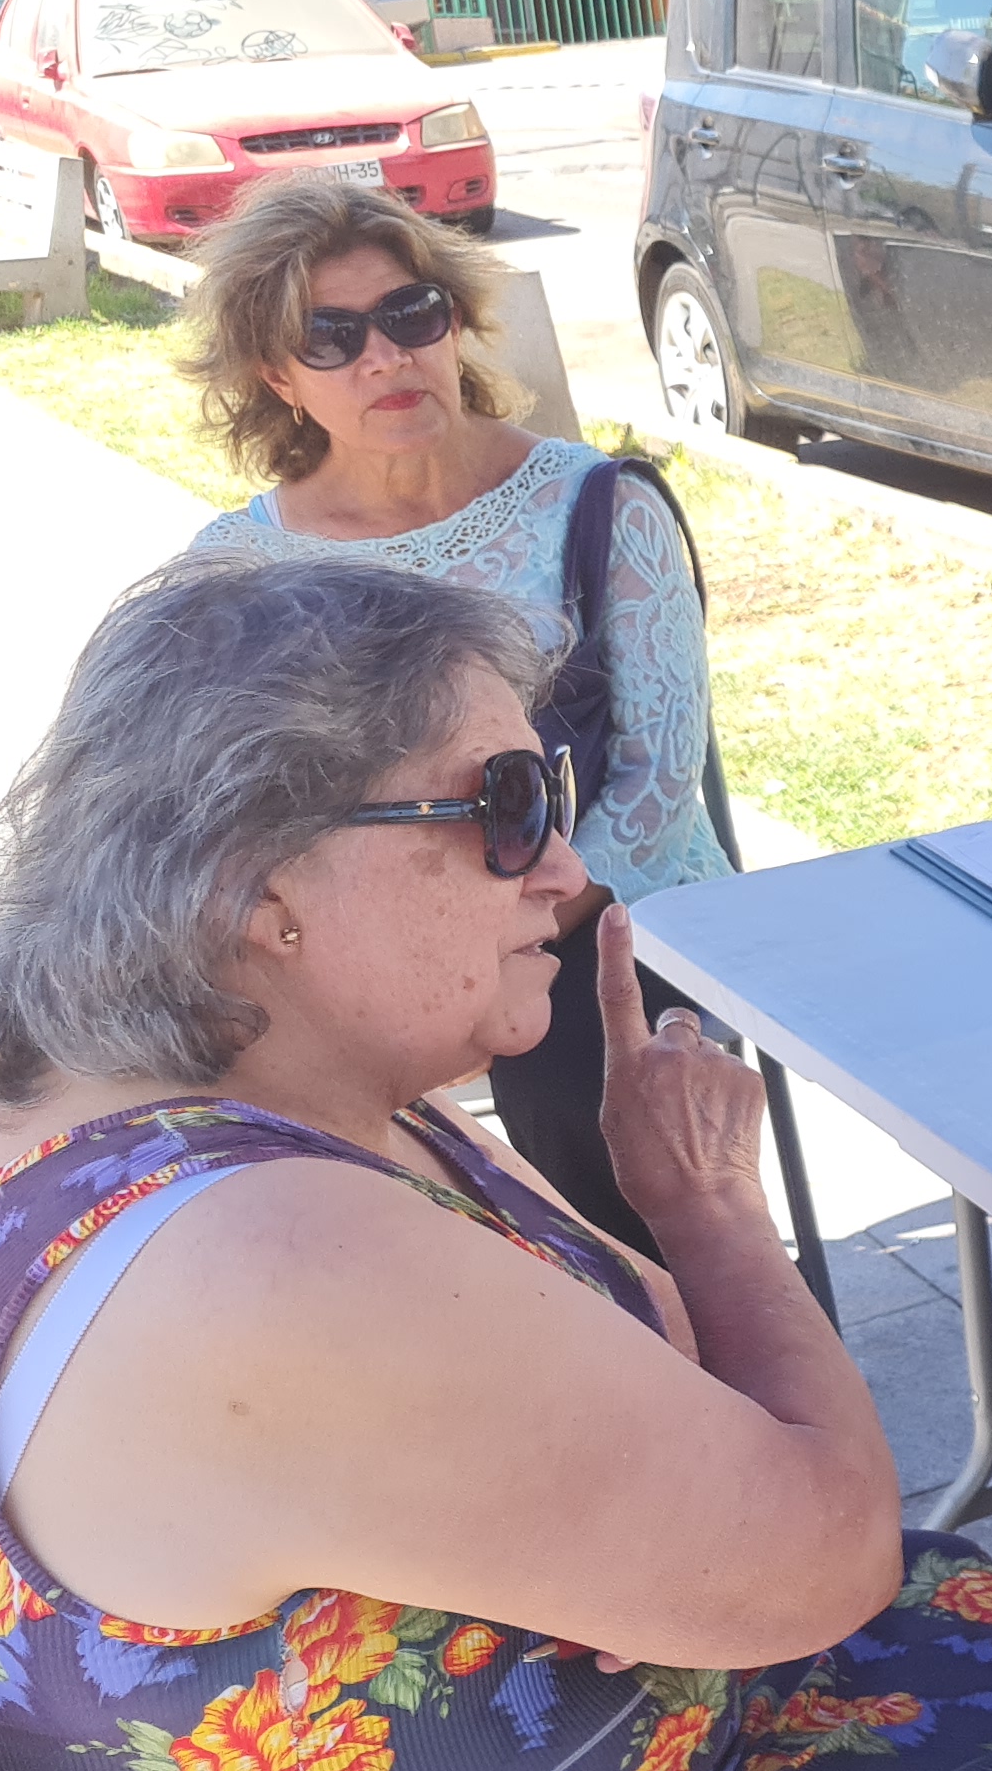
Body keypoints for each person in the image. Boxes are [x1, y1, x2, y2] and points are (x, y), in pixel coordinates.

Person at [0, 553, 992, 1771]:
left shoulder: (246, 1102)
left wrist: (652, 1493)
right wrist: (710, 1203)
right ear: (262, 887)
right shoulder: (268, 1262)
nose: (565, 863)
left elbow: (660, 1360)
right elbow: (831, 1547)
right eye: (505, 804)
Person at [183, 171, 723, 1259]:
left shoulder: (600, 506)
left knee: (575, 1080)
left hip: (602, 916)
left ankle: (669, 1361)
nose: (383, 356)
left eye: (407, 314)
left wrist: (488, 965)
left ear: (456, 323)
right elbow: (228, 824)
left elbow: (660, 792)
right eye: (329, 338)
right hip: (370, 949)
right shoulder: (234, 568)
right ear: (276, 377)